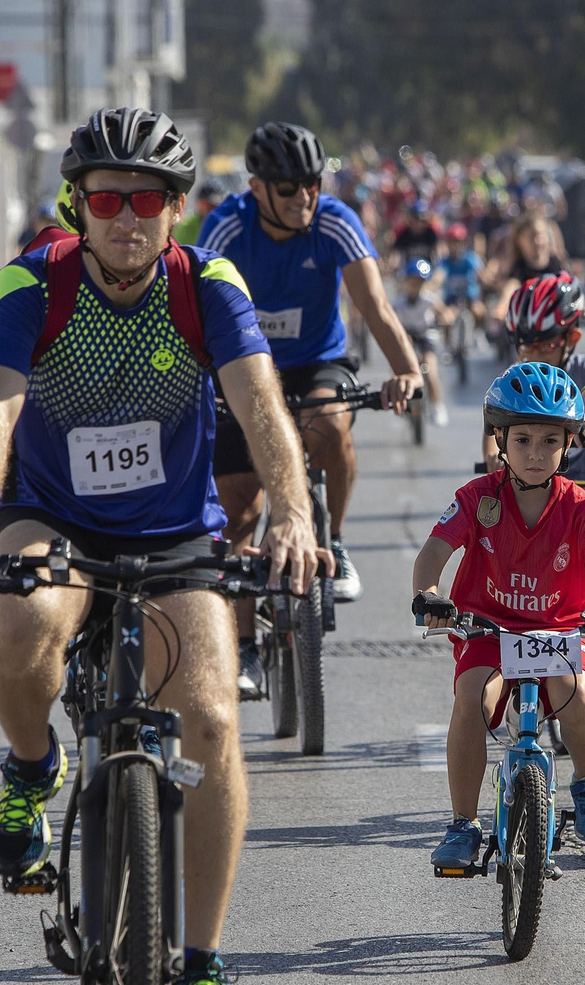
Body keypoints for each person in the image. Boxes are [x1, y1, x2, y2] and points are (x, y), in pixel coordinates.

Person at [0, 107, 322, 985]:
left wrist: (295, 517)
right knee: (17, 628)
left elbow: (262, 406)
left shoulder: (206, 286)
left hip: (176, 529)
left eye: (147, 198)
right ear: (80, 206)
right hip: (50, 514)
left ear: (176, 209)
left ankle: (203, 969)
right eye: (107, 198)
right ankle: (31, 767)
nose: (126, 217)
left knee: (215, 721)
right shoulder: (38, 280)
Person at [413, 363, 585, 865]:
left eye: (550, 440)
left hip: (564, 627)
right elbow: (433, 554)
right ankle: (463, 822)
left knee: (576, 691)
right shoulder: (477, 498)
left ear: (569, 445)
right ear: (499, 439)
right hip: (487, 627)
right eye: (522, 439)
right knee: (472, 698)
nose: (536, 453)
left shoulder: (580, 505)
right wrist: (429, 596)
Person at [197, 120, 422, 638]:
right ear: (256, 189)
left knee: (331, 424)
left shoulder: (334, 222)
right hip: (241, 368)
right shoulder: (227, 228)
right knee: (238, 507)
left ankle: (335, 540)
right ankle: (245, 646)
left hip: (315, 361)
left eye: (313, 184)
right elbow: (194, 313)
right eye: (288, 187)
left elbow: (375, 305)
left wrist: (407, 371)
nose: (304, 196)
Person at [485, 272, 585, 485]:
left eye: (546, 346)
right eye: (527, 346)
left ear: (572, 338)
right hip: (531, 485)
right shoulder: (516, 378)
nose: (535, 355)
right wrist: (493, 454)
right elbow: (494, 425)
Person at [390, 257, 450, 426]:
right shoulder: (399, 301)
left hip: (425, 336)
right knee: (399, 369)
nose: (415, 287)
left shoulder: (429, 299)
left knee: (430, 370)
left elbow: (443, 312)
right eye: (412, 282)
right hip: (407, 336)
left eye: (419, 283)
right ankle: (399, 401)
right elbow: (390, 317)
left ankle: (437, 405)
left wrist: (446, 318)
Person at [437, 222, 486, 328]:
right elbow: (438, 276)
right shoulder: (445, 262)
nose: (456, 245)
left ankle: (478, 337)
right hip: (452, 301)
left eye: (458, 242)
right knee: (447, 318)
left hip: (470, 299)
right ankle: (448, 343)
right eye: (452, 242)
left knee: (479, 311)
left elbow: (482, 275)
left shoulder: (471, 259)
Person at [173, 179, 225, 245]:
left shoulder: (222, 224)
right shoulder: (187, 226)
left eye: (216, 206)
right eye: (210, 205)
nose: (213, 210)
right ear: (200, 203)